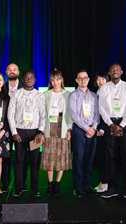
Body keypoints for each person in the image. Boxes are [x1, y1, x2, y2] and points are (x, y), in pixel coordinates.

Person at [98, 63, 126, 201]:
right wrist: (111, 124)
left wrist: (120, 125)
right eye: (112, 69)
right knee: (110, 157)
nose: (114, 71)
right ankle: (112, 188)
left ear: (121, 71)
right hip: (110, 123)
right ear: (109, 72)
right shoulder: (104, 88)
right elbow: (101, 108)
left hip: (124, 124)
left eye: (117, 69)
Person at [7, 69, 46, 198]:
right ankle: (19, 188)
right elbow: (10, 114)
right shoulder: (16, 94)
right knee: (19, 161)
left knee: (34, 161)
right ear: (22, 79)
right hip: (20, 132)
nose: (29, 79)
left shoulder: (39, 95)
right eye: (26, 77)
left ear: (35, 80)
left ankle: (35, 189)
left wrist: (40, 132)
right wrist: (14, 132)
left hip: (35, 133)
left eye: (31, 77)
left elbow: (43, 115)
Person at [40, 69, 72, 197]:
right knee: (50, 156)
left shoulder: (68, 94)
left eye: (58, 79)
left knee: (61, 156)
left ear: (62, 80)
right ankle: (49, 183)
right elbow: (43, 114)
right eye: (53, 80)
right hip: (49, 126)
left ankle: (57, 183)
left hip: (62, 126)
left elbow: (70, 114)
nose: (55, 82)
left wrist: (69, 129)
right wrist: (41, 131)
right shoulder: (45, 95)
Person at [68, 69, 99, 198]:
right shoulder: (73, 95)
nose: (83, 80)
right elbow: (74, 115)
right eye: (80, 78)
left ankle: (87, 186)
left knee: (89, 160)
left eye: (85, 78)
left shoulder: (93, 96)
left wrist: (93, 128)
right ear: (76, 80)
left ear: (88, 79)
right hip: (79, 130)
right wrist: (87, 128)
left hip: (92, 130)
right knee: (79, 160)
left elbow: (97, 114)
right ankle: (78, 187)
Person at [1, 63, 24, 193]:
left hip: (21, 127)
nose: (12, 71)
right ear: (6, 72)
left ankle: (21, 185)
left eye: (14, 69)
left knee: (21, 157)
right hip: (5, 127)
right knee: (5, 157)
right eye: (9, 69)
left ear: (18, 72)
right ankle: (5, 184)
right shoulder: (2, 87)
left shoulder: (25, 87)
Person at [93, 71, 110, 193]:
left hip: (106, 129)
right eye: (98, 79)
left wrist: (103, 129)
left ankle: (105, 182)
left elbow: (107, 113)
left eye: (103, 79)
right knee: (99, 157)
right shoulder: (96, 94)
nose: (100, 81)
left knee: (105, 157)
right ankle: (102, 180)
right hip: (97, 129)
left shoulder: (109, 94)